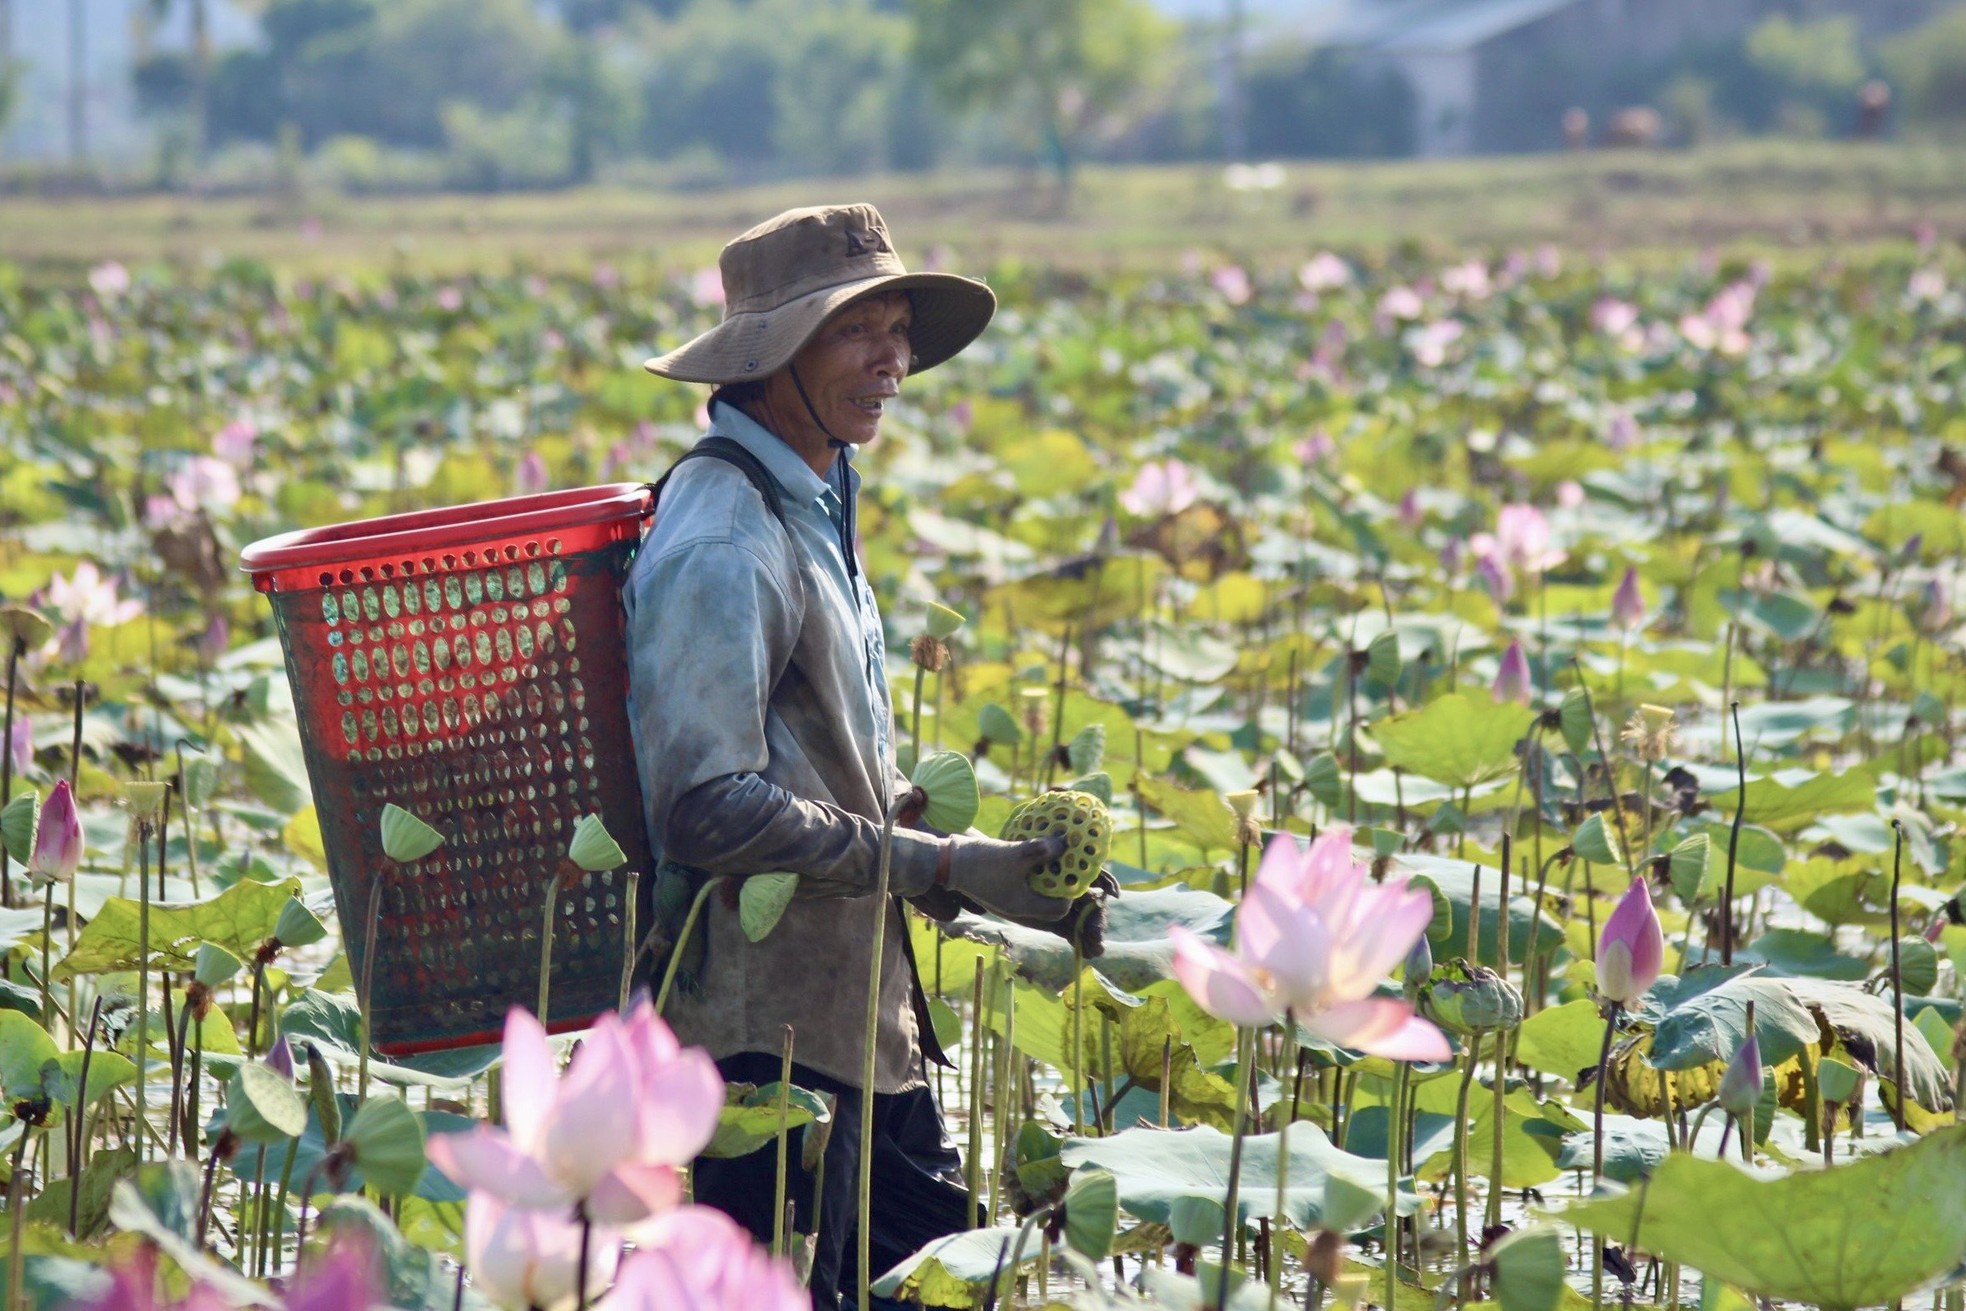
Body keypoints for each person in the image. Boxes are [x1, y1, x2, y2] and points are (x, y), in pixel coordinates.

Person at [625, 204, 1101, 1310]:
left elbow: (822, 771)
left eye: (898, 331)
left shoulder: (811, 497)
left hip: (857, 1026)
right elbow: (706, 805)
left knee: (952, 1279)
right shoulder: (724, 537)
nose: (893, 362)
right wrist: (935, 868)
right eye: (857, 332)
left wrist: (986, 873)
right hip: (762, 1059)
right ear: (771, 356)